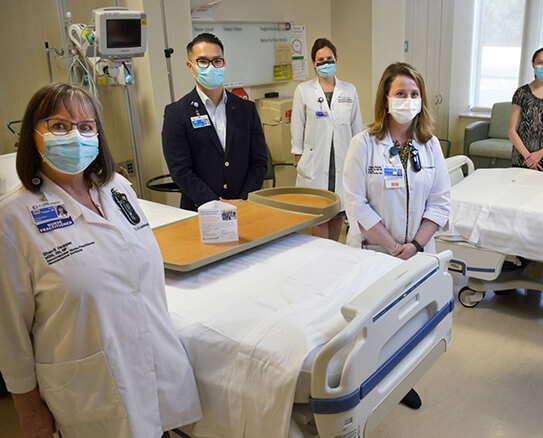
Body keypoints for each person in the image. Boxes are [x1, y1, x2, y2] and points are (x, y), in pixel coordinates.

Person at [0, 83, 202, 437]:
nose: (76, 135)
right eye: (59, 126)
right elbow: (8, 333)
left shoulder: (118, 189)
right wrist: (29, 410)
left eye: (86, 126)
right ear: (33, 135)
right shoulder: (12, 219)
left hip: (152, 366)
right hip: (90, 389)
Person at [343, 63, 451, 408]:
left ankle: (402, 381)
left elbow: (440, 201)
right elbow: (355, 204)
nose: (408, 100)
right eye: (400, 94)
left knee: (409, 322)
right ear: (385, 100)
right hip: (374, 252)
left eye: (414, 94)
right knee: (372, 324)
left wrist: (416, 245)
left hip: (417, 253)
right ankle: (362, 386)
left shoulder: (430, 145)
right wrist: (391, 247)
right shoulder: (364, 144)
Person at [162, 33, 268, 211]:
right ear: (190, 66)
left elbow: (259, 162)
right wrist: (215, 202)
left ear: (224, 64)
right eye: (203, 61)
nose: (211, 67)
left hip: (244, 206)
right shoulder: (177, 113)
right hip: (200, 210)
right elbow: (180, 170)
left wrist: (243, 199)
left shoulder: (246, 109)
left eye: (217, 61)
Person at [291, 38, 363, 240]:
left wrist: (359, 159)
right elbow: (297, 128)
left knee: (338, 214)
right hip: (315, 163)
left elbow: (357, 127)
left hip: (343, 160)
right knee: (319, 215)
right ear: (314, 63)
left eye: (329, 59)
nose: (325, 63)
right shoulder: (303, 91)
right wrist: (299, 159)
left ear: (336, 60)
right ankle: (322, 258)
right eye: (320, 60)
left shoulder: (349, 90)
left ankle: (335, 253)